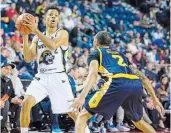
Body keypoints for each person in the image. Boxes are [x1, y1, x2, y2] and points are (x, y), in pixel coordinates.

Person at [72, 31, 164, 133]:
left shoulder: (96, 53)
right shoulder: (121, 54)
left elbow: (93, 74)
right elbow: (141, 76)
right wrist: (155, 99)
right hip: (135, 83)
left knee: (82, 116)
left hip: (117, 82)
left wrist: (82, 96)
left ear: (96, 42)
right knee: (139, 122)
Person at [20, 6, 90, 133]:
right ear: (44, 18)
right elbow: (28, 58)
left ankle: (86, 130)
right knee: (26, 103)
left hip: (58, 77)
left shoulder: (62, 33)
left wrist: (35, 31)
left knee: (72, 112)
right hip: (41, 77)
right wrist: (25, 36)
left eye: (56, 15)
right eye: (50, 15)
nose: (53, 17)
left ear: (58, 19)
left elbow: (52, 45)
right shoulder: (36, 37)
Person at [1, 61, 23, 133]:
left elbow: (12, 94)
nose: (9, 71)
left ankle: (15, 126)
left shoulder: (8, 80)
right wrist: (11, 99)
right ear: (0, 69)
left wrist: (18, 99)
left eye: (10, 69)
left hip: (5, 102)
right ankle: (2, 127)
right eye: (6, 68)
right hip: (2, 102)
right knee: (6, 101)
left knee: (18, 104)